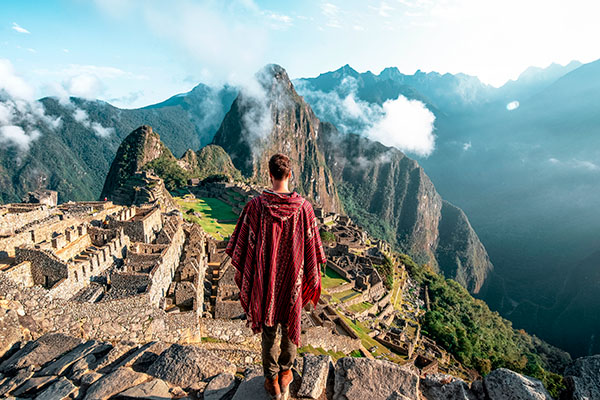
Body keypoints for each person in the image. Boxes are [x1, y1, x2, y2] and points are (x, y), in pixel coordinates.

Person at [225, 153, 326, 400]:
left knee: (269, 331)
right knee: (292, 324)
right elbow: (313, 250)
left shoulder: (255, 207)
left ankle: (272, 380)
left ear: (269, 174)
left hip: (264, 282)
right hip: (293, 281)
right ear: (289, 175)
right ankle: (286, 373)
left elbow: (241, 247)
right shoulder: (304, 209)